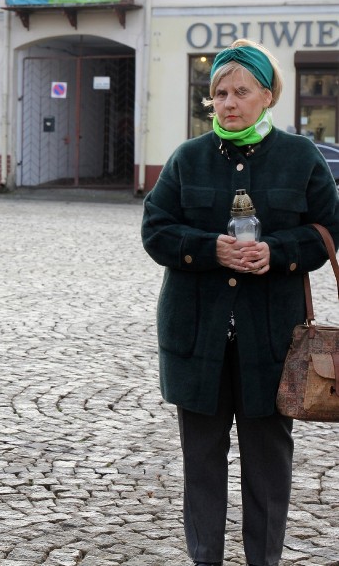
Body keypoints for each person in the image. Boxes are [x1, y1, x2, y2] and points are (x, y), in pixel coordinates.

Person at [141, 38, 339, 566]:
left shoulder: (300, 156)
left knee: (268, 465)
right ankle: (205, 558)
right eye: (219, 93)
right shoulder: (188, 158)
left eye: (241, 92)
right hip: (196, 336)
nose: (228, 103)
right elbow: (156, 231)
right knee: (201, 463)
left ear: (267, 95)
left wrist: (277, 253)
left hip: (272, 340)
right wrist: (209, 250)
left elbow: (329, 230)